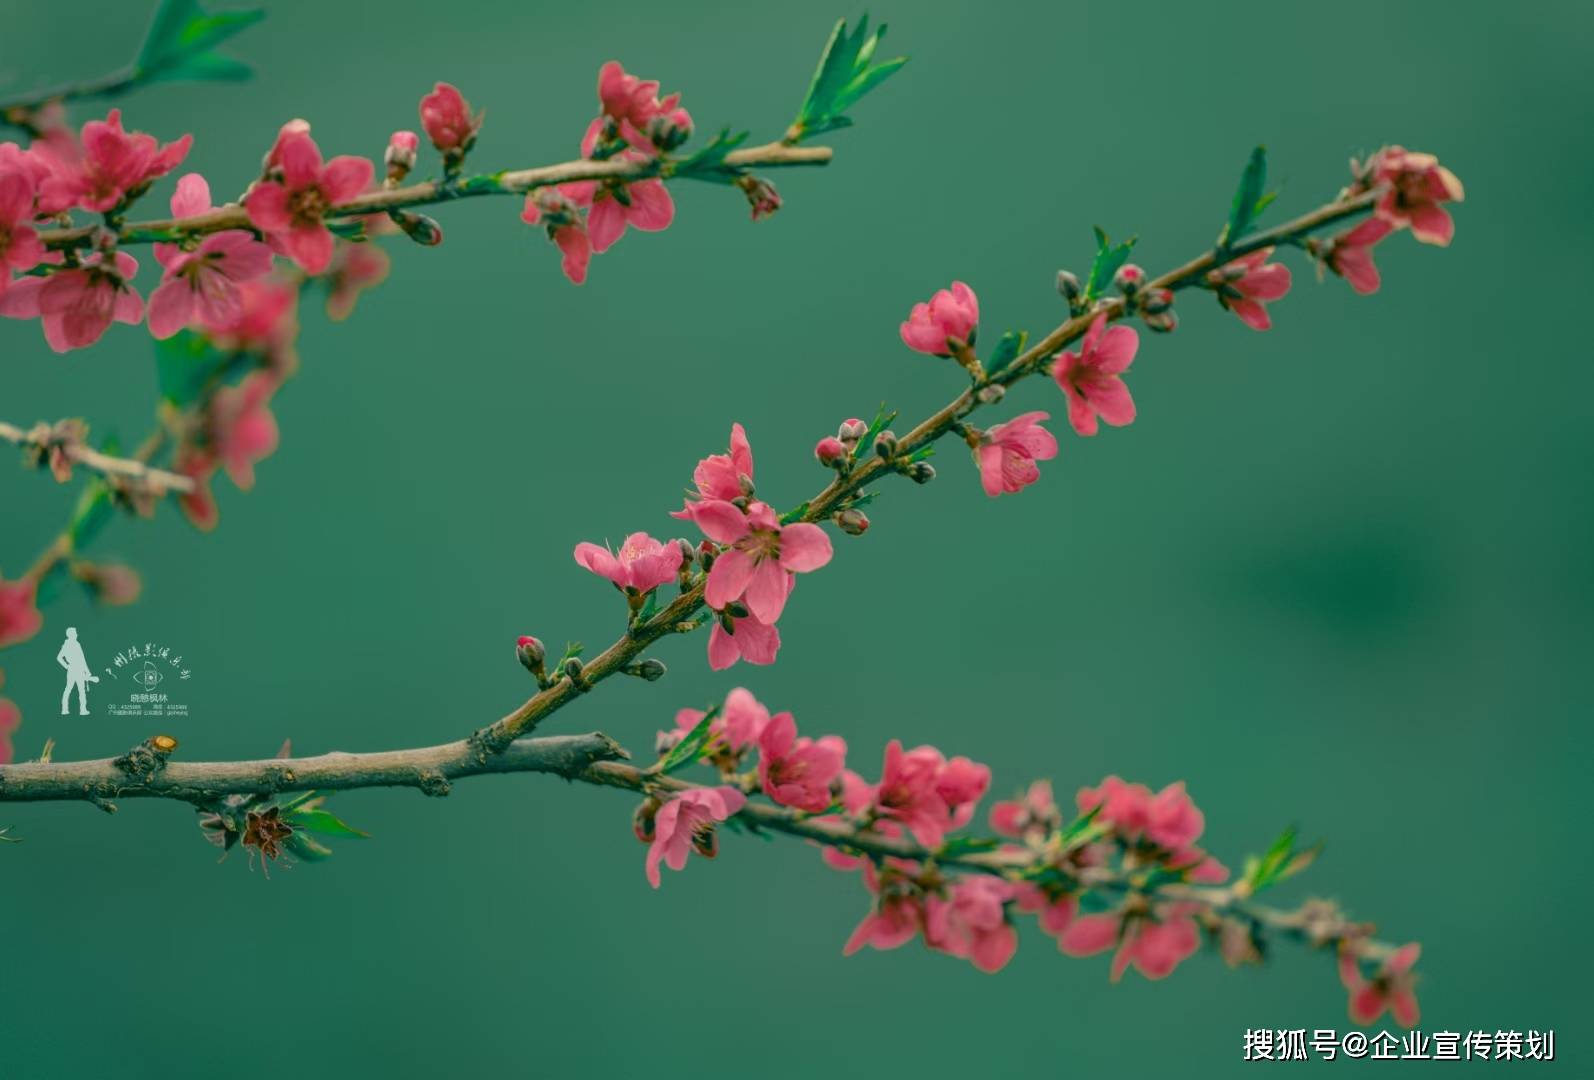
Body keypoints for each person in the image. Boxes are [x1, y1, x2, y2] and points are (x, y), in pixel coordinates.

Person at [57, 627, 99, 716]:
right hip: (73, 669)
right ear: (71, 635)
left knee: (81, 690)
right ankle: (65, 709)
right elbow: (59, 657)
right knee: (69, 689)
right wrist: (67, 666)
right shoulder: (67, 645)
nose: (76, 635)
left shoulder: (77, 644)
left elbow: (82, 659)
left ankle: (82, 710)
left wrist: (87, 671)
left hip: (79, 669)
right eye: (75, 633)